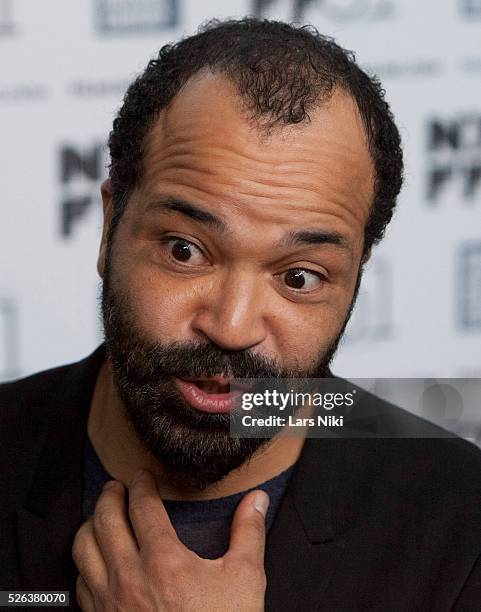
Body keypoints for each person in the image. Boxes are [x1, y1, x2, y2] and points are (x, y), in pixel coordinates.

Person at [1, 17, 481, 612]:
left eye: (298, 277)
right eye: (185, 251)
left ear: (356, 275)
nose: (231, 326)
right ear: (108, 229)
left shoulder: (461, 524)